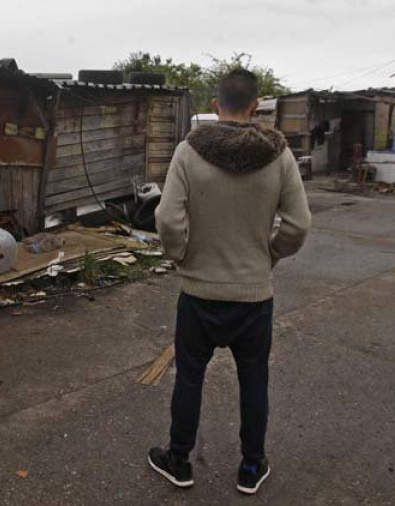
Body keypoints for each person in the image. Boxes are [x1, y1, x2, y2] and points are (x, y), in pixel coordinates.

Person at [147, 68, 312, 495]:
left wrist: (181, 254)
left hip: (198, 294)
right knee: (254, 379)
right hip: (254, 297)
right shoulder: (280, 155)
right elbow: (298, 225)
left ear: (217, 106)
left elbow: (166, 219)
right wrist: (270, 254)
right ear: (256, 108)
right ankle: (251, 467)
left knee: (189, 377)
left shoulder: (188, 151)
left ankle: (179, 460)